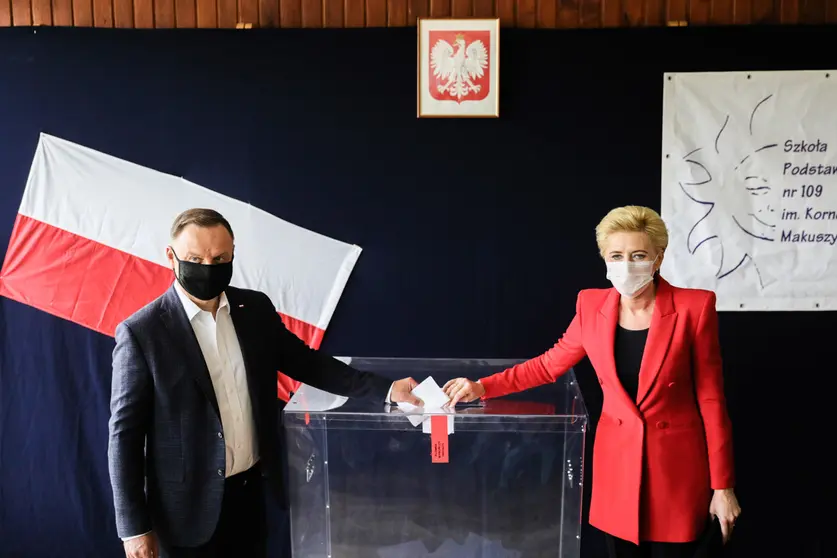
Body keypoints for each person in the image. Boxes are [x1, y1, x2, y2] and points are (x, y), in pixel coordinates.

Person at [108, 208, 422, 558]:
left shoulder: (253, 309)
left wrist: (386, 389)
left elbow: (308, 363)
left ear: (232, 255)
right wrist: (134, 529)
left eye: (219, 258)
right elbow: (125, 437)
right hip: (184, 515)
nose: (208, 267)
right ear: (171, 256)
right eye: (195, 258)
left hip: (250, 499)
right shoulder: (142, 333)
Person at [443, 206, 741, 558]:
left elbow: (712, 400)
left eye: (639, 255)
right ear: (604, 259)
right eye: (616, 255)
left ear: (658, 258)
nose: (627, 265)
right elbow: (547, 365)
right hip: (617, 468)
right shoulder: (591, 304)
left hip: (677, 472)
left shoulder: (695, 307)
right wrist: (483, 386)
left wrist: (722, 487)